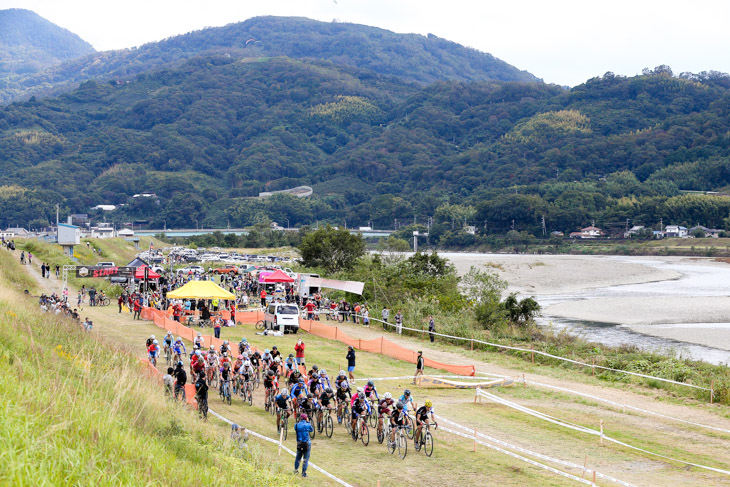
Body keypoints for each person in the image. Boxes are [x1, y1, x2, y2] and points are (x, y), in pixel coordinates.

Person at [294, 413, 313, 478]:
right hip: (307, 443)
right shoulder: (308, 425)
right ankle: (304, 473)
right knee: (306, 459)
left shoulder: (296, 425)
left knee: (298, 457)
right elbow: (312, 430)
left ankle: (296, 470)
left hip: (299, 443)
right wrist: (308, 422)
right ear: (306, 418)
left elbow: (295, 429)